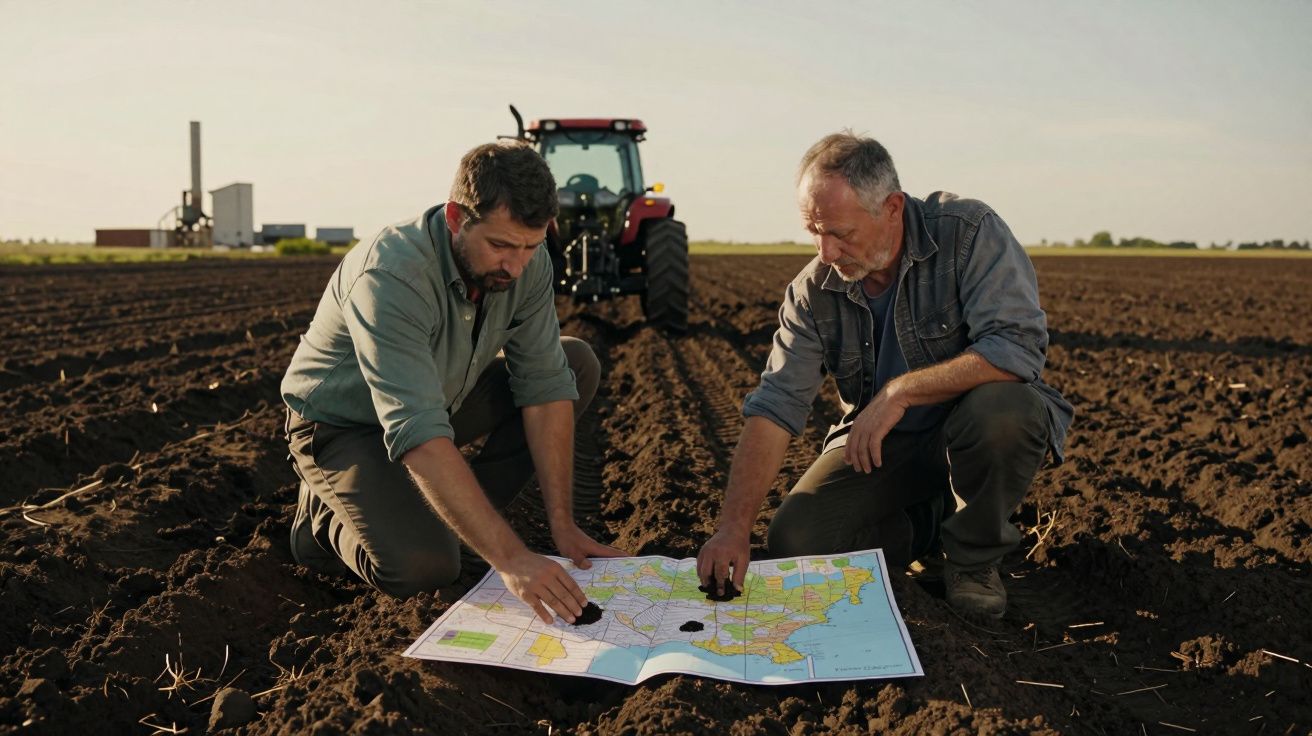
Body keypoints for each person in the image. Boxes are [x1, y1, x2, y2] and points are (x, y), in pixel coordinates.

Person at [696, 132, 1072, 620]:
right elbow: (776, 405)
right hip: (887, 446)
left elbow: (1016, 349)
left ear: (892, 208)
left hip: (972, 430)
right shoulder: (813, 291)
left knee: (1005, 409)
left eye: (841, 233)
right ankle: (932, 522)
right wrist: (733, 527)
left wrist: (901, 391)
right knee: (798, 541)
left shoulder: (968, 233)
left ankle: (973, 560)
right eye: (814, 231)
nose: (826, 251)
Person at [281, 140, 625, 624]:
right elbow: (418, 432)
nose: (515, 265)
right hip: (344, 425)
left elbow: (546, 386)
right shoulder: (391, 275)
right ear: (456, 218)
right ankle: (320, 523)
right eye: (500, 246)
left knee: (575, 364)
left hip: (441, 397)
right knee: (426, 568)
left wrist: (562, 526)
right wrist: (512, 558)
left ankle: (455, 520)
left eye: (530, 246)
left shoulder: (525, 263)